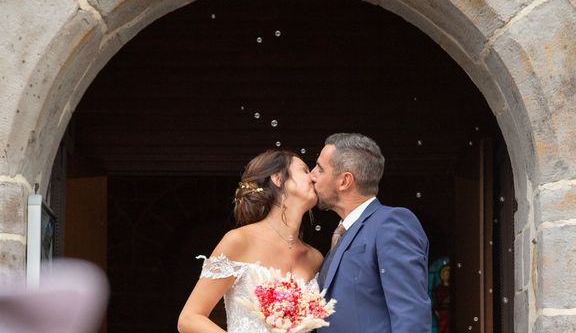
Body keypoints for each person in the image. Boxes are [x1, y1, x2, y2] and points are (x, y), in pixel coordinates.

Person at [178, 149, 323, 333]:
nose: (313, 177)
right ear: (278, 179)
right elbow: (189, 318)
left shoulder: (314, 258)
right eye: (304, 170)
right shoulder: (239, 241)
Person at [310, 133, 431, 332]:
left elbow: (410, 316)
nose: (312, 175)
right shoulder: (341, 233)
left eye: (320, 169)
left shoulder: (391, 223)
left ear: (344, 181)